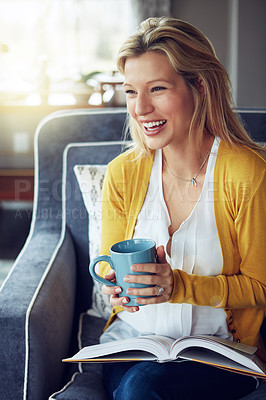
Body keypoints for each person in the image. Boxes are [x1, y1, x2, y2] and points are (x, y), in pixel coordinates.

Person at [98, 17, 265, 400]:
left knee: (139, 391)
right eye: (130, 91)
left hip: (220, 351)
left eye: (157, 88)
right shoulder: (122, 173)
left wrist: (178, 286)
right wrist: (115, 285)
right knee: (136, 387)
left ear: (200, 87)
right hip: (132, 342)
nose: (141, 108)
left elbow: (261, 288)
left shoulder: (247, 173)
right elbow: (106, 261)